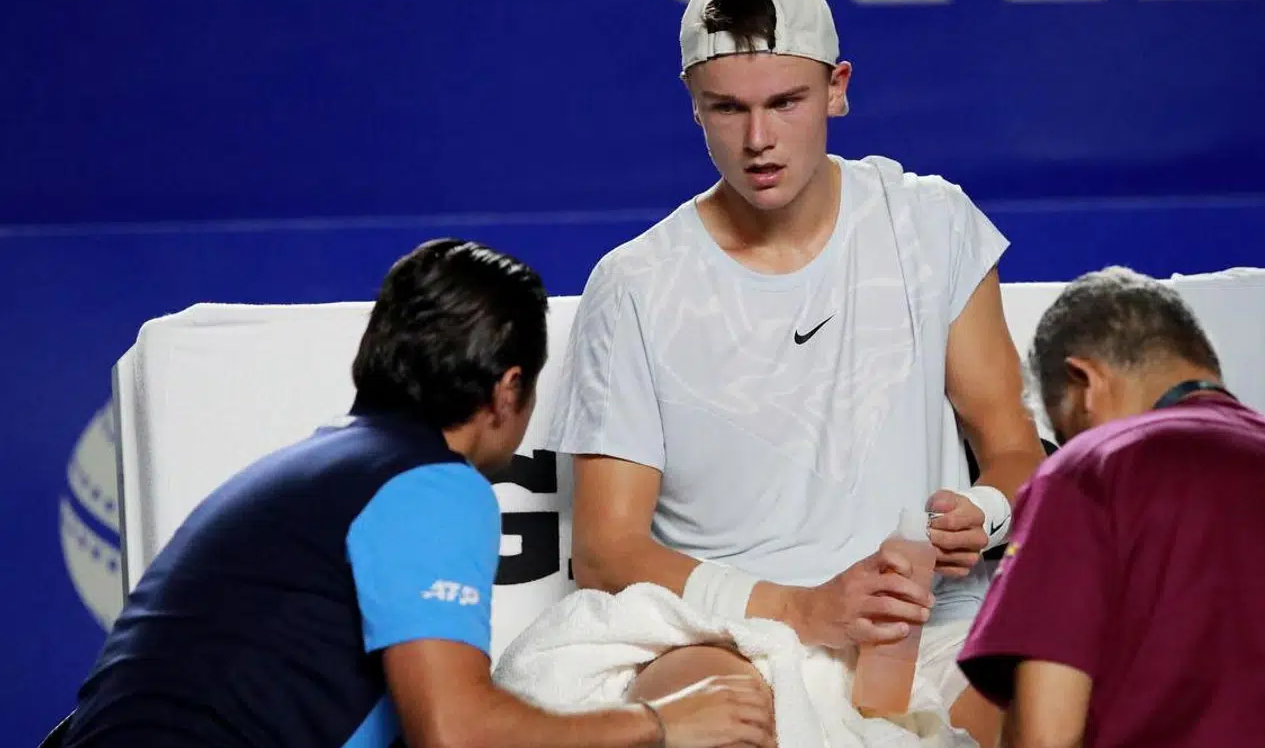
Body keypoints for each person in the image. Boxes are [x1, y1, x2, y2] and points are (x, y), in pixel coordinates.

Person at [533, 0, 1047, 745]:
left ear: (838, 88)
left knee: (1073, 694)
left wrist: (983, 512)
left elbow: (1011, 445)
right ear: (694, 108)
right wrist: (801, 609)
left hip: (926, 630)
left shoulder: (932, 225)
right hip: (722, 633)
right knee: (719, 714)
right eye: (727, 109)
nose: (758, 139)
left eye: (786, 102)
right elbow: (607, 552)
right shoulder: (637, 282)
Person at [61, 239, 775, 748]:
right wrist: (661, 726)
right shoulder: (431, 487)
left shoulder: (311, 467)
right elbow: (457, 735)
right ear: (507, 391)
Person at [956, 266, 1265, 748]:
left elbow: (1047, 735)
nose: (1073, 443)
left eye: (1066, 431)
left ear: (1086, 383)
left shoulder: (1086, 470)